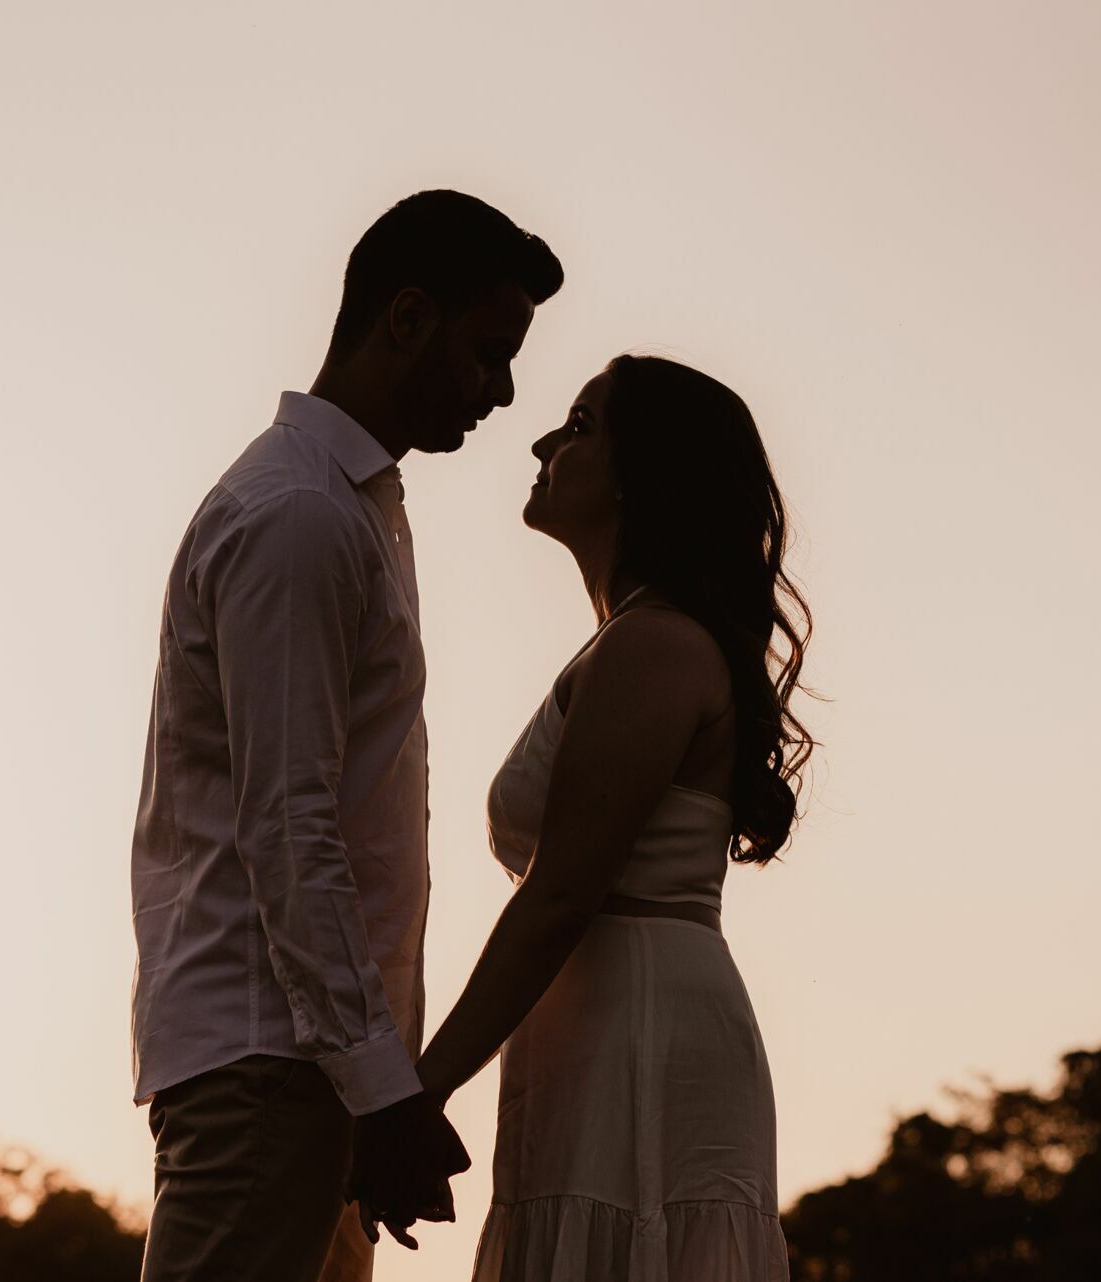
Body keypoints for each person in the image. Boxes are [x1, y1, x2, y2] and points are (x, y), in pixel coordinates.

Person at [128, 189, 563, 1282]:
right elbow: (289, 821)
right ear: (406, 318)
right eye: (487, 352)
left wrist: (375, 1085)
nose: (504, 393)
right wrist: (384, 1088)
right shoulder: (301, 517)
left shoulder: (353, 507)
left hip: (308, 1064)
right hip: (270, 1061)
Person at [356, 353, 814, 1279]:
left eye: (580, 425)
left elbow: (561, 895)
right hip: (592, 1021)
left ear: (644, 475)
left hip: (640, 1029)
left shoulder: (653, 645)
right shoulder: (628, 639)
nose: (543, 440)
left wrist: (415, 1096)